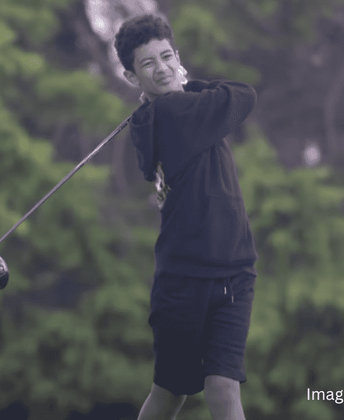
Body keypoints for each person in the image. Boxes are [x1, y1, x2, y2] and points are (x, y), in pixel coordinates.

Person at [114, 14, 258, 420]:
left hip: (233, 272)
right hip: (184, 281)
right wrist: (186, 83)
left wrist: (179, 88)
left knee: (223, 388)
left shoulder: (160, 115)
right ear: (130, 77)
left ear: (177, 55)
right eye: (148, 64)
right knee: (169, 393)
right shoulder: (175, 114)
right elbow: (243, 95)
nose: (161, 69)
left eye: (166, 57)